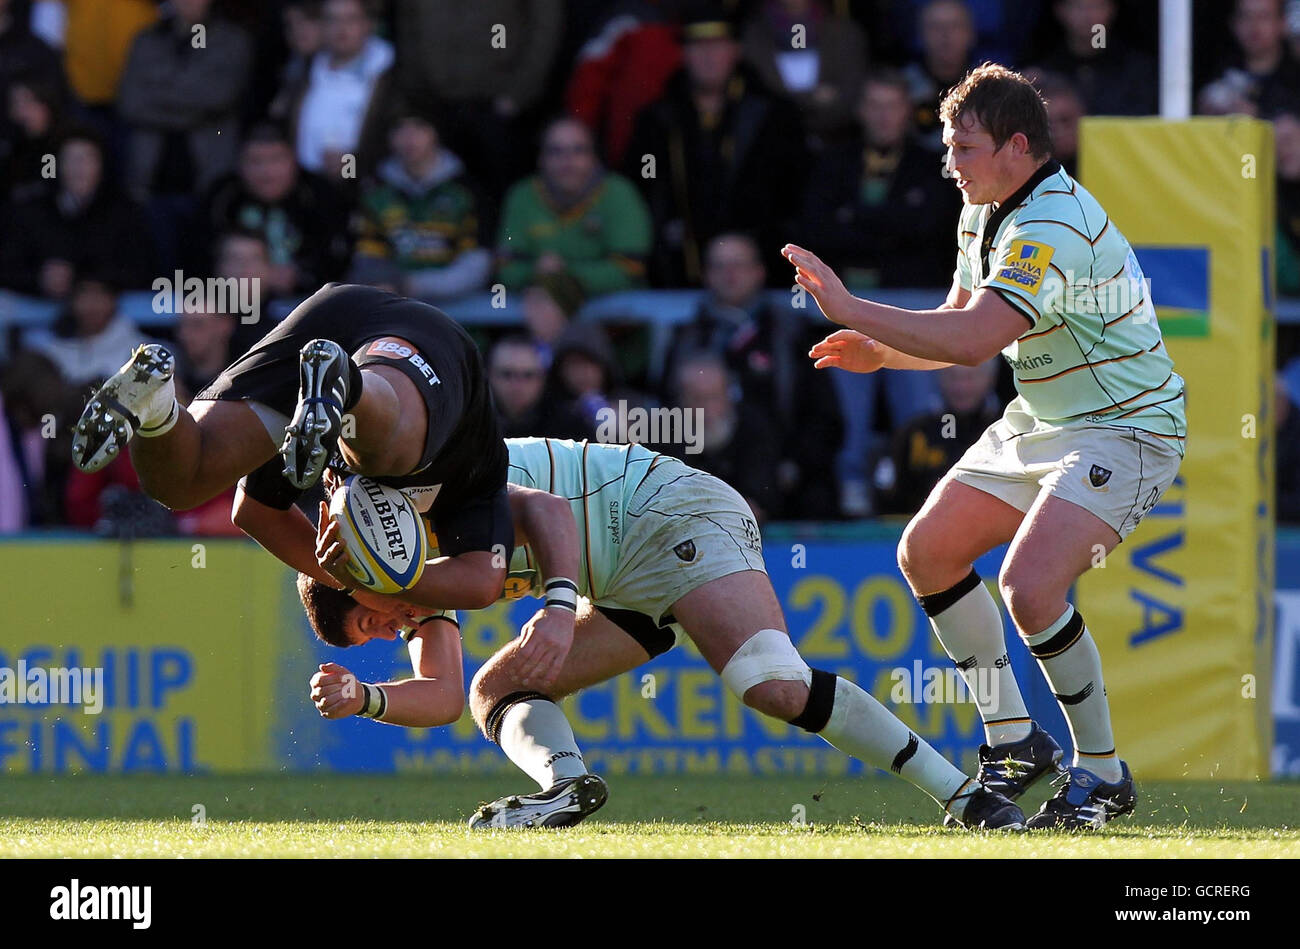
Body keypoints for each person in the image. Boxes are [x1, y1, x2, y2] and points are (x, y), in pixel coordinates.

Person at [788, 63, 1186, 828]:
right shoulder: (987, 206)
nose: (949, 161)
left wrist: (850, 308)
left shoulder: (1051, 223)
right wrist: (885, 350)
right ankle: (1015, 737)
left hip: (1126, 425)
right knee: (928, 551)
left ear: (1016, 146)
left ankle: (1103, 775)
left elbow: (974, 342)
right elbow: (957, 319)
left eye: (961, 145)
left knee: (1031, 587)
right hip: (1044, 417)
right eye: (945, 144)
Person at [302, 437, 1028, 831]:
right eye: (377, 633)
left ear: (351, 571)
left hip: (668, 513)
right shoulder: (406, 576)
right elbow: (444, 695)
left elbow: (548, 508)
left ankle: (966, 796)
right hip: (620, 583)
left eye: (371, 618)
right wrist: (366, 696)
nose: (390, 626)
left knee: (771, 684)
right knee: (499, 688)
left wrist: (557, 605)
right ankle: (566, 785)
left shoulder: (419, 506)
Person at [71, 283, 513, 612]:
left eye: (367, 629)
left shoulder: (310, 442)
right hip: (429, 341)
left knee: (180, 485)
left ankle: (157, 406)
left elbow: (252, 510)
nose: (388, 630)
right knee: (390, 455)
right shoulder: (485, 478)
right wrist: (381, 588)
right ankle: (348, 382)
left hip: (328, 319)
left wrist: (350, 581)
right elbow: (483, 583)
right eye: (381, 630)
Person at [662, 232, 842, 518]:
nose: (730, 275)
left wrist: (792, 469)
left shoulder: (793, 334)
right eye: (719, 267)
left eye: (739, 265)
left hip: (787, 482)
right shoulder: (685, 338)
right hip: (701, 481)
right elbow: (666, 414)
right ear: (706, 275)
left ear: (759, 272)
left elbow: (825, 418)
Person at [624, 7, 807, 286]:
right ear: (684, 54)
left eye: (717, 46)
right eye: (698, 47)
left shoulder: (774, 116)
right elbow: (643, 189)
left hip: (761, 268)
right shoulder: (658, 118)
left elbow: (792, 194)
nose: (708, 57)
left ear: (735, 51)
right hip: (679, 266)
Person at [496, 116, 652, 296]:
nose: (568, 160)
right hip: (539, 302)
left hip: (617, 315)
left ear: (594, 157)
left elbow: (632, 268)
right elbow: (505, 268)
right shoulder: (521, 195)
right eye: (556, 151)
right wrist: (536, 271)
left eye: (579, 150)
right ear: (540, 158)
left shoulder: (619, 192)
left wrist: (563, 275)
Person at [349, 108, 491, 302]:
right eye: (400, 128)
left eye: (419, 126)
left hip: (460, 316)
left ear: (436, 133)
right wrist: (383, 284)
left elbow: (476, 266)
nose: (409, 137)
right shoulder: (374, 192)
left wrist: (411, 285)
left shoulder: (465, 192)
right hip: (392, 313)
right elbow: (366, 260)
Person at [199, 122, 350, 301]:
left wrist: (302, 276)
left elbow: (339, 258)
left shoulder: (320, 195)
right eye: (255, 161)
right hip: (230, 304)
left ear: (294, 160)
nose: (266, 173)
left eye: (276, 160)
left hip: (310, 302)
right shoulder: (222, 197)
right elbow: (200, 257)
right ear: (239, 164)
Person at [0, 127, 153, 298]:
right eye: (71, 159)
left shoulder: (126, 212)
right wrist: (40, 278)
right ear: (57, 166)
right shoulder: (30, 211)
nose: (79, 168)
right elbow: (8, 267)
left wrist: (80, 279)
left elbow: (139, 271)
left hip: (110, 314)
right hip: (36, 311)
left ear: (102, 165)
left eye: (87, 159)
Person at [872, 359, 1002, 515]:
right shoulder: (914, 432)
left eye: (970, 377)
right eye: (953, 377)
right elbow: (890, 496)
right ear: (939, 378)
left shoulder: (1009, 429)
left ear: (990, 378)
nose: (961, 386)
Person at [1029, 0, 1157, 117]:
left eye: (1097, 6)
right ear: (1060, 10)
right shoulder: (1041, 74)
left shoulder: (1138, 70)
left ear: (1112, 9)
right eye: (1079, 7)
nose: (1088, 16)